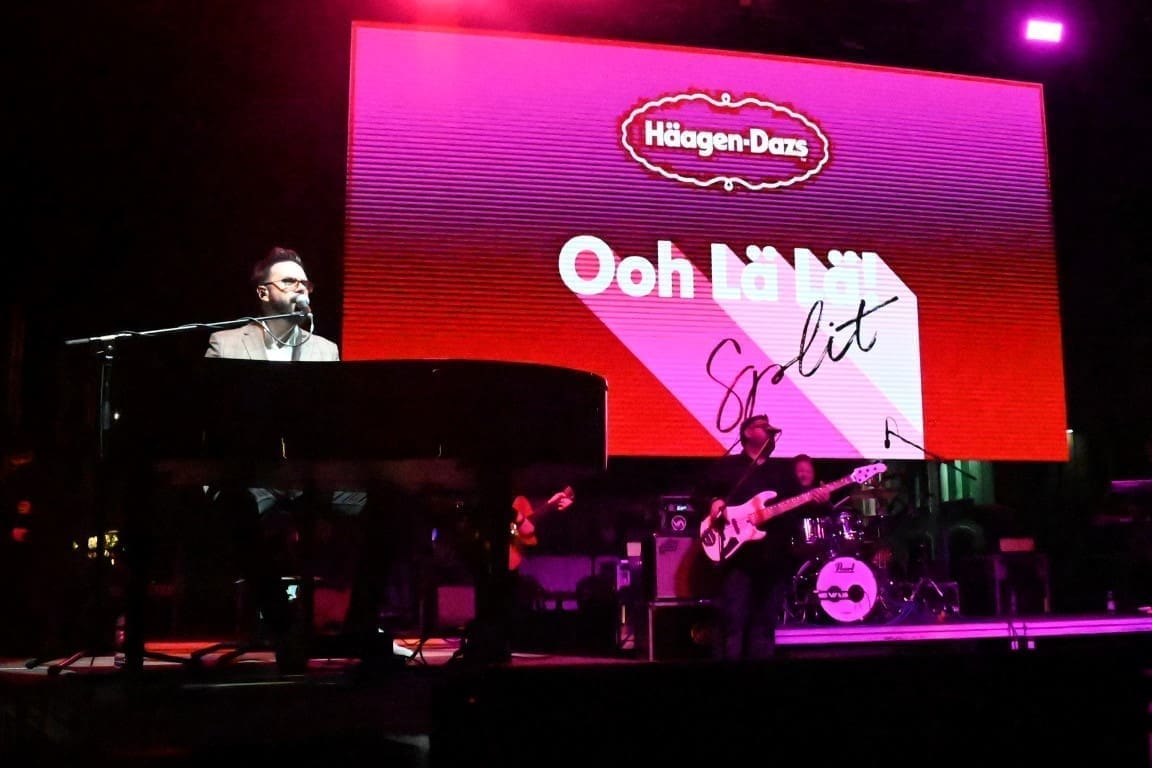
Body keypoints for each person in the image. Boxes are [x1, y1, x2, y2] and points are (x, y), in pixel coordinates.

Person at [695, 415, 830, 660]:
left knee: (765, 626)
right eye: (763, 427)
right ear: (747, 432)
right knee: (732, 623)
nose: (771, 431)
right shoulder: (728, 467)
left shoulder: (782, 472)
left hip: (773, 560)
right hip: (737, 561)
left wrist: (821, 501)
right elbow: (698, 495)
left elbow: (800, 506)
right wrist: (713, 502)